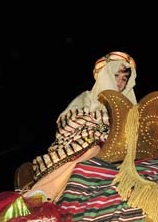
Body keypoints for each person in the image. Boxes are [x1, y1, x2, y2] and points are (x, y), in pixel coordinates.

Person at [21, 51, 138, 201]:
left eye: (124, 78)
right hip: (86, 144)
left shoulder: (129, 108)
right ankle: (44, 190)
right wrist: (100, 126)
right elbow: (66, 124)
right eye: (116, 76)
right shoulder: (87, 98)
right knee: (94, 147)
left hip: (119, 152)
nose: (120, 83)